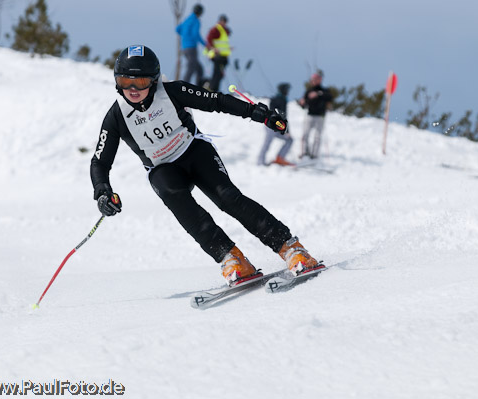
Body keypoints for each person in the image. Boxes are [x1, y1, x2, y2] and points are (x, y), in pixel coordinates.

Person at [90, 45, 321, 287]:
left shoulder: (172, 91)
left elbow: (216, 101)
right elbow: (100, 160)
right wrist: (102, 192)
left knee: (228, 198)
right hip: (163, 169)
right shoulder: (116, 117)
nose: (133, 89)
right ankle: (232, 259)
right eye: (126, 81)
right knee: (177, 201)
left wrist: (259, 114)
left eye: (141, 81)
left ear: (155, 80)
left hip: (194, 152)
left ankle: (291, 248)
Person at [298, 70, 332, 159]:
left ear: (320, 80)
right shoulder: (308, 91)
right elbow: (304, 104)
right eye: (312, 79)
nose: (313, 81)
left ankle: (315, 155)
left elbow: (329, 97)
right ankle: (305, 153)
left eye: (316, 79)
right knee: (305, 134)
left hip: (320, 116)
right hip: (310, 115)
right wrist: (302, 103)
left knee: (317, 136)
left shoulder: (324, 90)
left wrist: (317, 94)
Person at [258, 82, 294, 166]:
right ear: (283, 90)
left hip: (278, 126)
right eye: (287, 89)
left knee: (289, 140)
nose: (288, 91)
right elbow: (277, 114)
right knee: (267, 143)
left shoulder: (283, 100)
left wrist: (286, 130)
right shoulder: (276, 100)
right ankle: (260, 162)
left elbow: (283, 117)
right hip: (271, 125)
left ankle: (280, 158)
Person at [175, 4, 206, 86]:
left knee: (198, 68)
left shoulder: (187, 19)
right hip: (191, 47)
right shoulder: (196, 21)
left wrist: (185, 36)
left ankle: (199, 87)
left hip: (184, 48)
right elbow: (196, 34)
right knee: (191, 68)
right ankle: (183, 86)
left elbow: (177, 29)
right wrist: (205, 44)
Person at [204, 14, 231, 92]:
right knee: (217, 73)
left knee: (220, 74)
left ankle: (215, 89)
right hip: (217, 56)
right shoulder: (215, 29)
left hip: (223, 56)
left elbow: (222, 43)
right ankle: (211, 88)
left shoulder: (223, 30)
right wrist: (213, 48)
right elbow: (209, 39)